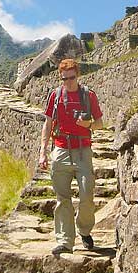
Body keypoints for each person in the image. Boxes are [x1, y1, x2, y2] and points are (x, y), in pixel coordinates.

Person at [38, 58, 103, 256]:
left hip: (83, 150)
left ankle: (84, 230)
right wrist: (43, 152)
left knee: (86, 195)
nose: (67, 82)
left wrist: (88, 126)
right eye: (64, 78)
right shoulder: (55, 96)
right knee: (62, 199)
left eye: (71, 78)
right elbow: (48, 124)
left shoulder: (88, 95)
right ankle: (65, 241)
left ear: (78, 75)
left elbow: (100, 123)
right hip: (60, 150)